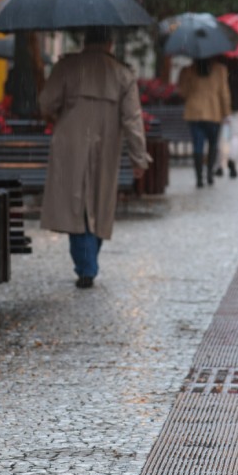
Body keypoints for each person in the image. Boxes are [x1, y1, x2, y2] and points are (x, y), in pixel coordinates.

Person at [39, 26, 150, 289]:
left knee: (76, 207)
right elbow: (133, 120)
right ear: (110, 43)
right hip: (106, 144)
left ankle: (85, 266)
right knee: (99, 205)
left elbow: (45, 103)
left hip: (70, 143)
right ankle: (88, 265)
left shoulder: (67, 67)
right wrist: (139, 158)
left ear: (85, 41)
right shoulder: (122, 74)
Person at [177, 56, 231, 188]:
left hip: (194, 112)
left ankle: (199, 178)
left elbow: (182, 92)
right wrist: (226, 113)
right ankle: (209, 175)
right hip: (213, 112)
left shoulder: (187, 70)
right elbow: (224, 93)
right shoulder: (220, 70)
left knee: (198, 145)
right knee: (213, 144)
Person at [217, 56, 238, 179]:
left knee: (222, 136)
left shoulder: (219, 63)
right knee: (235, 136)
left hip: (222, 107)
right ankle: (232, 159)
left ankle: (220, 165)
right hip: (237, 106)